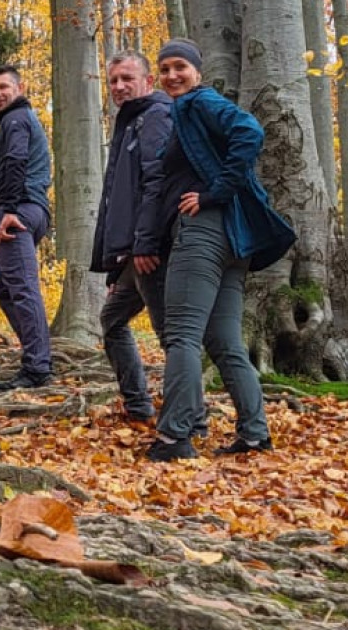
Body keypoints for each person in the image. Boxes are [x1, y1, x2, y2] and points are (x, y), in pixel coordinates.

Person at [145, 39, 297, 462]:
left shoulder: (199, 102)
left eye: (180, 67)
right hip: (232, 242)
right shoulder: (187, 111)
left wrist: (214, 192)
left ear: (197, 72)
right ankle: (254, 433)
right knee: (224, 341)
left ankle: (175, 436)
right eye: (164, 69)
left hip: (206, 233)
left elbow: (249, 132)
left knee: (182, 336)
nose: (172, 76)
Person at [90, 51, 174, 420]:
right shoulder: (129, 124)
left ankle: (187, 417)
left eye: (127, 78)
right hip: (133, 253)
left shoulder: (156, 115)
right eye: (113, 80)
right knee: (112, 320)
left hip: (152, 249)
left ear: (147, 81)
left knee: (171, 335)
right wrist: (114, 265)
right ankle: (139, 406)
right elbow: (118, 197)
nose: (120, 86)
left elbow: (157, 182)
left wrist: (145, 242)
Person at [0, 65, 54, 391]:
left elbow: (15, 161)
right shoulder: (18, 120)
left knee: (23, 290)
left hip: (21, 209)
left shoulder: (16, 119)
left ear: (20, 87)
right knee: (9, 295)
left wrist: (9, 211)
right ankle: (36, 355)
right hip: (24, 210)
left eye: (3, 87)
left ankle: (38, 368)